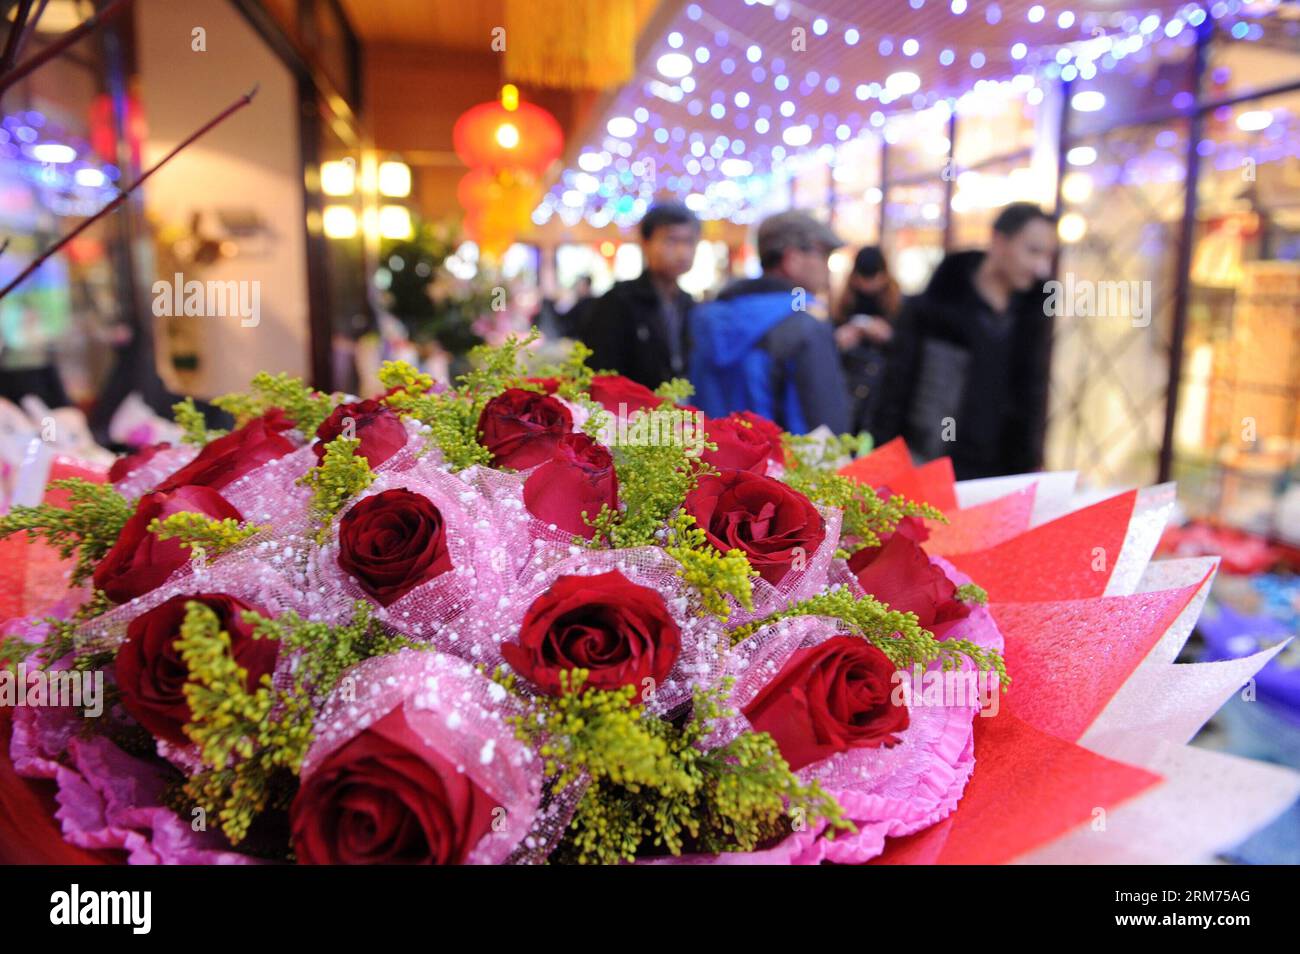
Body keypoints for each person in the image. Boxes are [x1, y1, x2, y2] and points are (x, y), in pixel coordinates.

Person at [875, 202, 1057, 480]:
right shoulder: (936, 306)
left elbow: (1032, 397)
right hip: (930, 467)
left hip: (999, 477)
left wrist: (1029, 463)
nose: (1041, 268)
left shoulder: (1030, 317)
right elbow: (895, 389)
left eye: (1047, 255)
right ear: (998, 241)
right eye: (1032, 251)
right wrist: (887, 462)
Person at [689, 210, 851, 434]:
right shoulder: (805, 325)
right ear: (792, 259)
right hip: (784, 466)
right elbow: (827, 427)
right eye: (823, 254)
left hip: (712, 464)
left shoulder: (712, 316)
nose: (826, 267)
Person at [579, 203, 700, 388]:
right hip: (630, 412)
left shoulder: (689, 303)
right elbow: (599, 373)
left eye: (689, 241)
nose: (682, 252)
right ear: (645, 243)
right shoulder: (619, 301)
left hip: (677, 412)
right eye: (671, 240)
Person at [833, 246, 902, 437]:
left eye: (873, 278)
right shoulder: (843, 303)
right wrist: (839, 339)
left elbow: (907, 350)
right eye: (863, 278)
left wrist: (890, 337)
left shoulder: (899, 305)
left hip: (884, 392)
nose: (867, 285)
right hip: (849, 389)